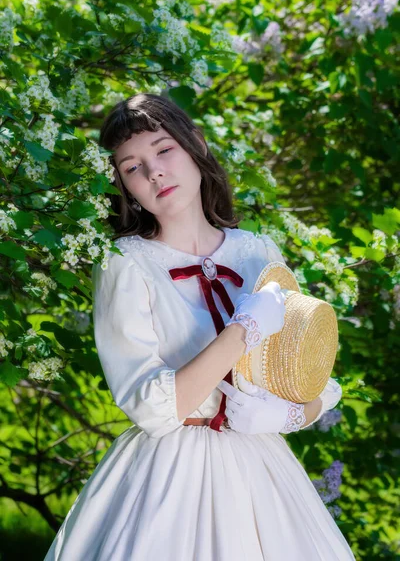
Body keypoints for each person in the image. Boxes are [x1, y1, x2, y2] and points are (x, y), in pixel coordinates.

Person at [44, 93, 356, 560]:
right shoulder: (125, 264)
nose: (154, 172)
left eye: (163, 149)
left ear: (197, 145)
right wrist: (243, 330)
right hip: (166, 475)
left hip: (261, 468)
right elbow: (151, 408)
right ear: (125, 186)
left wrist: (286, 415)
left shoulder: (258, 252)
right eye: (132, 167)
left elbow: (314, 378)